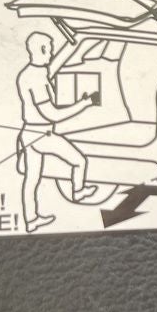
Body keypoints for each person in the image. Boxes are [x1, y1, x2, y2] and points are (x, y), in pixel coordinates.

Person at [16, 32, 98, 232]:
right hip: (42, 136)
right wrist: (84, 103)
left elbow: (52, 68)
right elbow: (52, 114)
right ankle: (78, 191)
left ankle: (31, 220)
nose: (52, 53)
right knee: (79, 161)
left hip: (29, 134)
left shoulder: (30, 73)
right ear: (42, 49)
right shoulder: (37, 78)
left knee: (31, 180)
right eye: (50, 50)